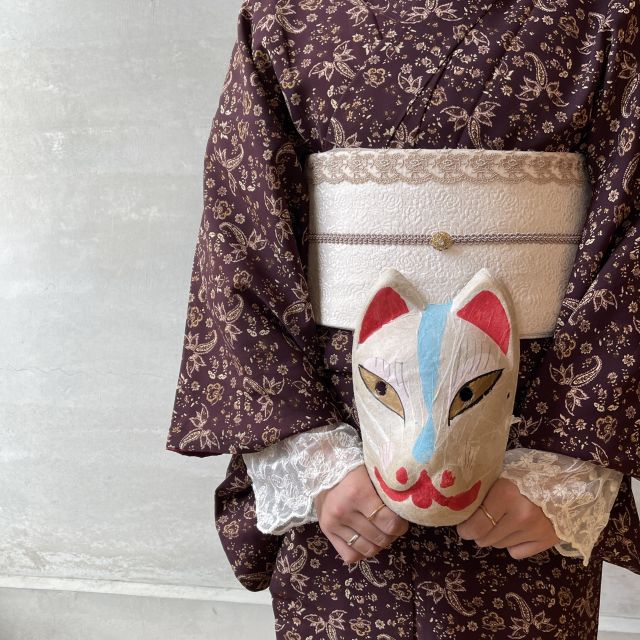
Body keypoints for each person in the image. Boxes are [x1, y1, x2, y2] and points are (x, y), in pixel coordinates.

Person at [167, 0, 640, 637]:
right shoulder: (286, 16)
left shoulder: (604, 15)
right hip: (341, 418)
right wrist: (317, 462)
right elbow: (241, 235)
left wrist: (560, 472)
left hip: (533, 419)